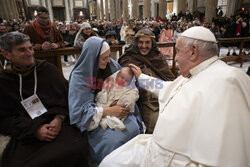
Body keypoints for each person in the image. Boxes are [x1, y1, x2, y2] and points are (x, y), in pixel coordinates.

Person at [99, 26, 250, 167]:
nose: (175, 58)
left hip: (183, 158)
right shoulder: (197, 72)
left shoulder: (230, 80)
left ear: (193, 52)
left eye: (178, 51)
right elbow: (169, 87)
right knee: (110, 161)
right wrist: (142, 77)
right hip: (159, 143)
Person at [0, 32, 89, 167]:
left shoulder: (48, 70)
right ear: (6, 54)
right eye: (22, 50)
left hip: (57, 123)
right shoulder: (4, 81)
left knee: (77, 150)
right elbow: (4, 118)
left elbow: (69, 98)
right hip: (26, 131)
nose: (29, 53)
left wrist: (59, 118)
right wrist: (35, 130)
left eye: (30, 48)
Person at [68, 37, 143, 165]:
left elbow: (127, 85)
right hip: (96, 118)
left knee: (134, 128)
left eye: (109, 56)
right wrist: (109, 111)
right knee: (113, 140)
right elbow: (78, 113)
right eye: (104, 58)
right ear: (93, 57)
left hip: (117, 110)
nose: (108, 60)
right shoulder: (79, 77)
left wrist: (123, 101)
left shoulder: (112, 65)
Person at [119, 27, 175, 133]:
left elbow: (169, 78)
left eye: (147, 42)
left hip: (164, 97)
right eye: (140, 42)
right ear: (136, 43)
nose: (144, 46)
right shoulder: (128, 59)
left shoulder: (158, 57)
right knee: (158, 124)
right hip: (144, 102)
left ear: (152, 43)